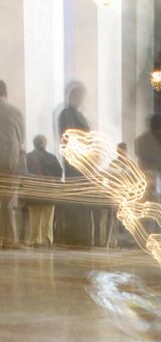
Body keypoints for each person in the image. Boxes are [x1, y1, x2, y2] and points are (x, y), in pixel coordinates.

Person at [57, 81, 93, 247]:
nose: (81, 99)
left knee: (81, 200)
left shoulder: (78, 115)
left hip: (82, 163)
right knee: (77, 199)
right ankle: (75, 235)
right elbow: (71, 136)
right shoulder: (67, 114)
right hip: (75, 163)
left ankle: (80, 235)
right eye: (78, 95)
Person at [0, 80, 25, 249]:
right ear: (5, 92)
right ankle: (9, 239)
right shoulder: (15, 112)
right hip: (9, 162)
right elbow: (21, 138)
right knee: (7, 204)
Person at [26, 135, 62, 246]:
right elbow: (59, 173)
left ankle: (34, 240)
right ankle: (47, 240)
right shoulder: (51, 157)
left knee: (34, 216)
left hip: (33, 189)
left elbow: (23, 172)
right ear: (45, 143)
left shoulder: (28, 157)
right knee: (48, 216)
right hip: (49, 189)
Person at [135, 114, 161, 206]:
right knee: (159, 202)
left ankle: (145, 219)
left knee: (143, 201)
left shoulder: (140, 140)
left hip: (144, 174)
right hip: (159, 176)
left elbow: (138, 154)